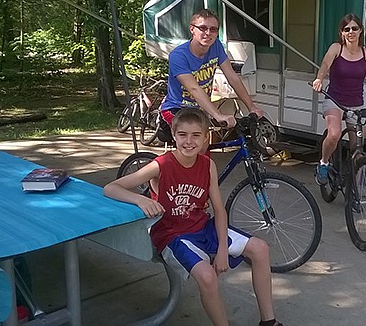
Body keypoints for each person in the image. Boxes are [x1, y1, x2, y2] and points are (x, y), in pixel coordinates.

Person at [104, 108, 282, 326]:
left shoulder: (207, 165)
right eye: (183, 135)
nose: (189, 141)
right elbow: (111, 188)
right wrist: (141, 200)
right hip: (173, 235)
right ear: (173, 134)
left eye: (196, 135)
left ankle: (269, 321)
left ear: (206, 137)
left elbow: (218, 209)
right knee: (207, 277)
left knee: (261, 248)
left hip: (201, 226)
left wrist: (224, 251)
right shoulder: (161, 165)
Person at [311, 13, 366, 185]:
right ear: (342, 33)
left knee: (357, 148)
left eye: (354, 28)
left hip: (356, 104)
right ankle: (323, 163)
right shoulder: (336, 48)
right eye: (346, 29)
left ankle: (355, 189)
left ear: (360, 31)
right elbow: (325, 65)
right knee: (334, 134)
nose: (351, 32)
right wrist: (319, 79)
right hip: (334, 100)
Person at [160, 8, 263, 130]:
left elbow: (232, 77)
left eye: (213, 29)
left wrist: (252, 107)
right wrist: (217, 114)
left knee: (203, 144)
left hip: (199, 109)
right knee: (192, 141)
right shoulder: (178, 56)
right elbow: (194, 89)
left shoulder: (216, 46)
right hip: (177, 108)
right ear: (192, 29)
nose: (208, 33)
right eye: (202, 28)